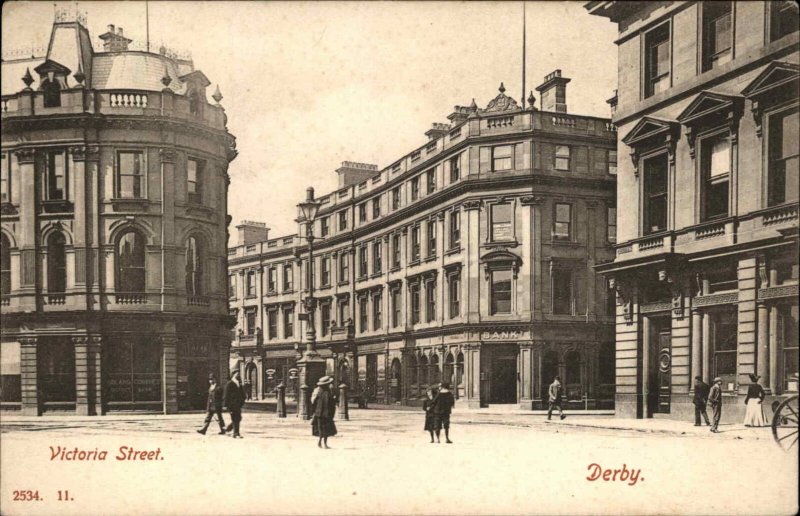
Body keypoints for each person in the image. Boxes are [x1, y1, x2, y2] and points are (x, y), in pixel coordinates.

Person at [311, 376, 337, 448]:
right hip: (326, 414)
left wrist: (314, 412)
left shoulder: (317, 391)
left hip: (318, 413)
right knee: (326, 429)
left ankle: (320, 442)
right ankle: (325, 444)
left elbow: (313, 403)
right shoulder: (328, 392)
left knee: (320, 428)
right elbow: (330, 404)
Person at [224, 369, 246, 438]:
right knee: (235, 418)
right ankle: (236, 434)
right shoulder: (230, 384)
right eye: (237, 373)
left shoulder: (239, 383)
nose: (238, 375)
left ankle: (228, 429)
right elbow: (226, 395)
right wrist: (226, 405)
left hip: (238, 405)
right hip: (232, 405)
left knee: (238, 418)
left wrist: (242, 400)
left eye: (239, 374)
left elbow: (242, 393)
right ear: (233, 375)